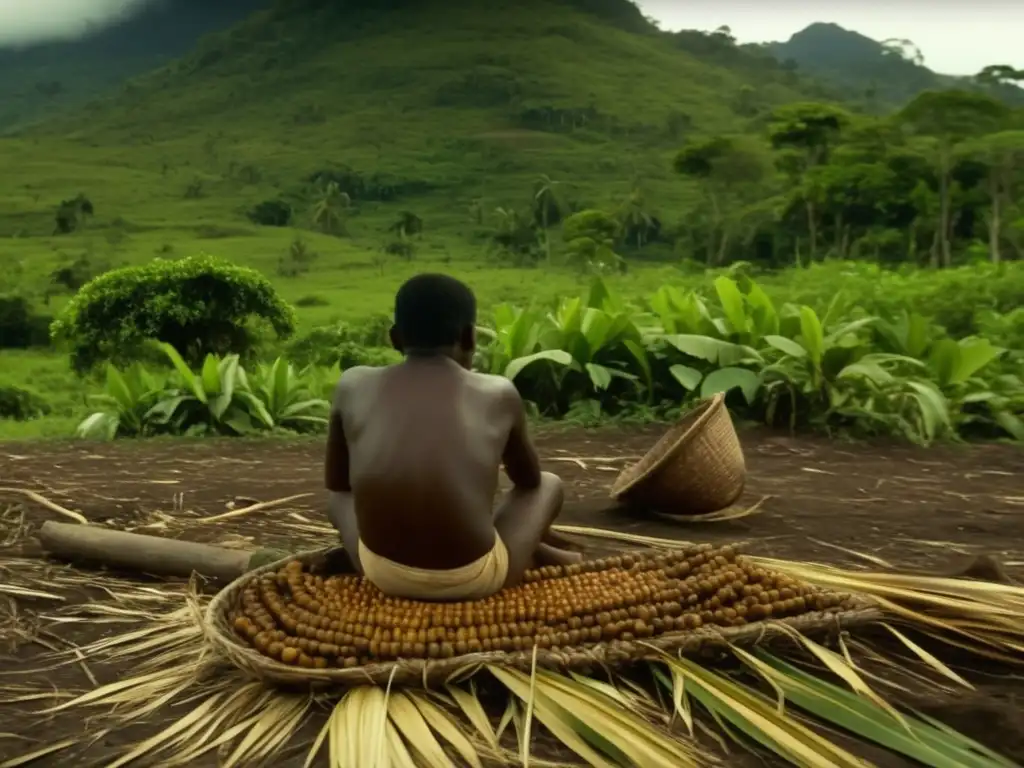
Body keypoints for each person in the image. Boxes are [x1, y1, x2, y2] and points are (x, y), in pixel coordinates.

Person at [324, 273, 581, 601]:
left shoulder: (352, 384)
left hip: (380, 573)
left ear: (395, 338)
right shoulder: (498, 392)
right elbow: (528, 481)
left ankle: (538, 550)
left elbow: (337, 483)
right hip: (472, 579)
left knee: (338, 500)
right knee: (548, 484)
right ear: (470, 337)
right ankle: (533, 549)